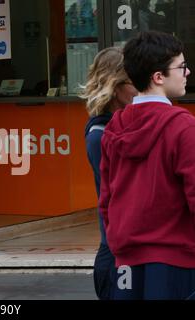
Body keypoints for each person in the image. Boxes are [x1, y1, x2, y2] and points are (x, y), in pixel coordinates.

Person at [100, 31, 195, 300]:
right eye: (181, 67)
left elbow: (106, 199)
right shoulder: (183, 127)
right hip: (176, 260)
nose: (187, 73)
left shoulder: (114, 127)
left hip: (125, 261)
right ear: (158, 77)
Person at [80, 47, 138, 300]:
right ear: (115, 86)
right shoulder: (100, 136)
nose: (142, 87)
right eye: (135, 80)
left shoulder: (126, 126)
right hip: (117, 256)